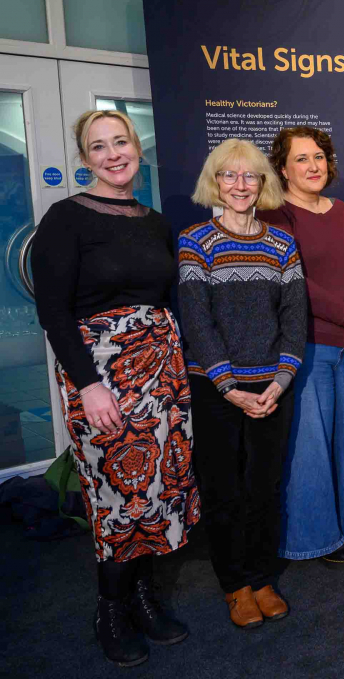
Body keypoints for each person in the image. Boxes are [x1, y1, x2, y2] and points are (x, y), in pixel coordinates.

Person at [32, 110, 198, 667]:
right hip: (99, 376)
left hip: (160, 373)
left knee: (159, 488)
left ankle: (146, 600)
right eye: (98, 147)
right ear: (85, 159)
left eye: (120, 142)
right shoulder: (64, 217)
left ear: (137, 149)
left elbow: (162, 299)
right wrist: (89, 386)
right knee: (118, 496)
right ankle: (110, 609)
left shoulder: (154, 221)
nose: (113, 154)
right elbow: (53, 311)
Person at [178, 139, 307, 629]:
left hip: (274, 388)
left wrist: (280, 380)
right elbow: (197, 321)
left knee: (265, 486)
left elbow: (296, 318)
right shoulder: (195, 242)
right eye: (229, 176)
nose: (239, 185)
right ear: (215, 182)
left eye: (249, 176)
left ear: (263, 183)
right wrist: (230, 386)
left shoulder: (282, 244)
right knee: (223, 488)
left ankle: (260, 577)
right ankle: (234, 585)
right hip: (217, 389)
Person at [259, 126, 344, 570]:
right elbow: (292, 279)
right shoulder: (274, 214)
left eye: (319, 157)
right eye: (302, 159)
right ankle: (315, 540)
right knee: (310, 446)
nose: (313, 166)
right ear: (284, 169)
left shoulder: (342, 210)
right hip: (309, 346)